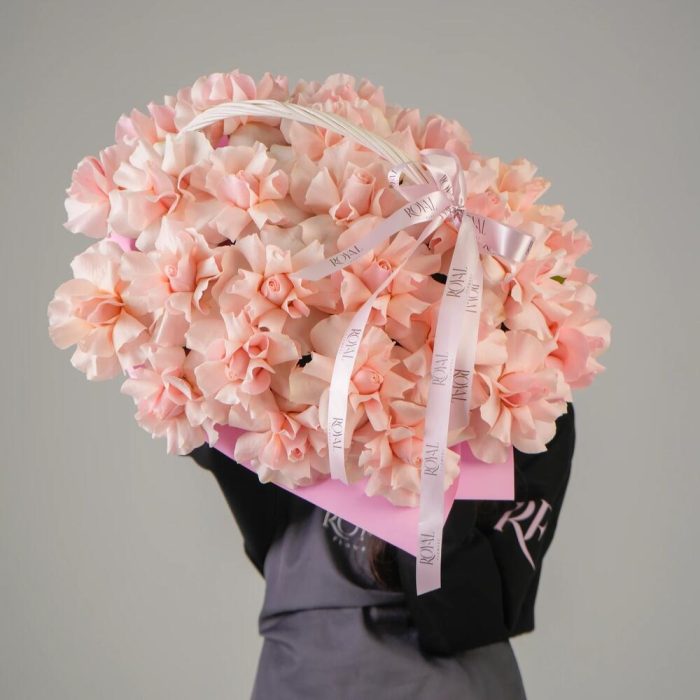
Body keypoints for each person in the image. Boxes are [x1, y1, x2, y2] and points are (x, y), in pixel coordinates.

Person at [188, 402, 576, 699]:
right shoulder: (298, 353)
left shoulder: (530, 397)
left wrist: (432, 445)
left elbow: (467, 618)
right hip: (299, 669)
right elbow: (256, 501)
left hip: (445, 679)